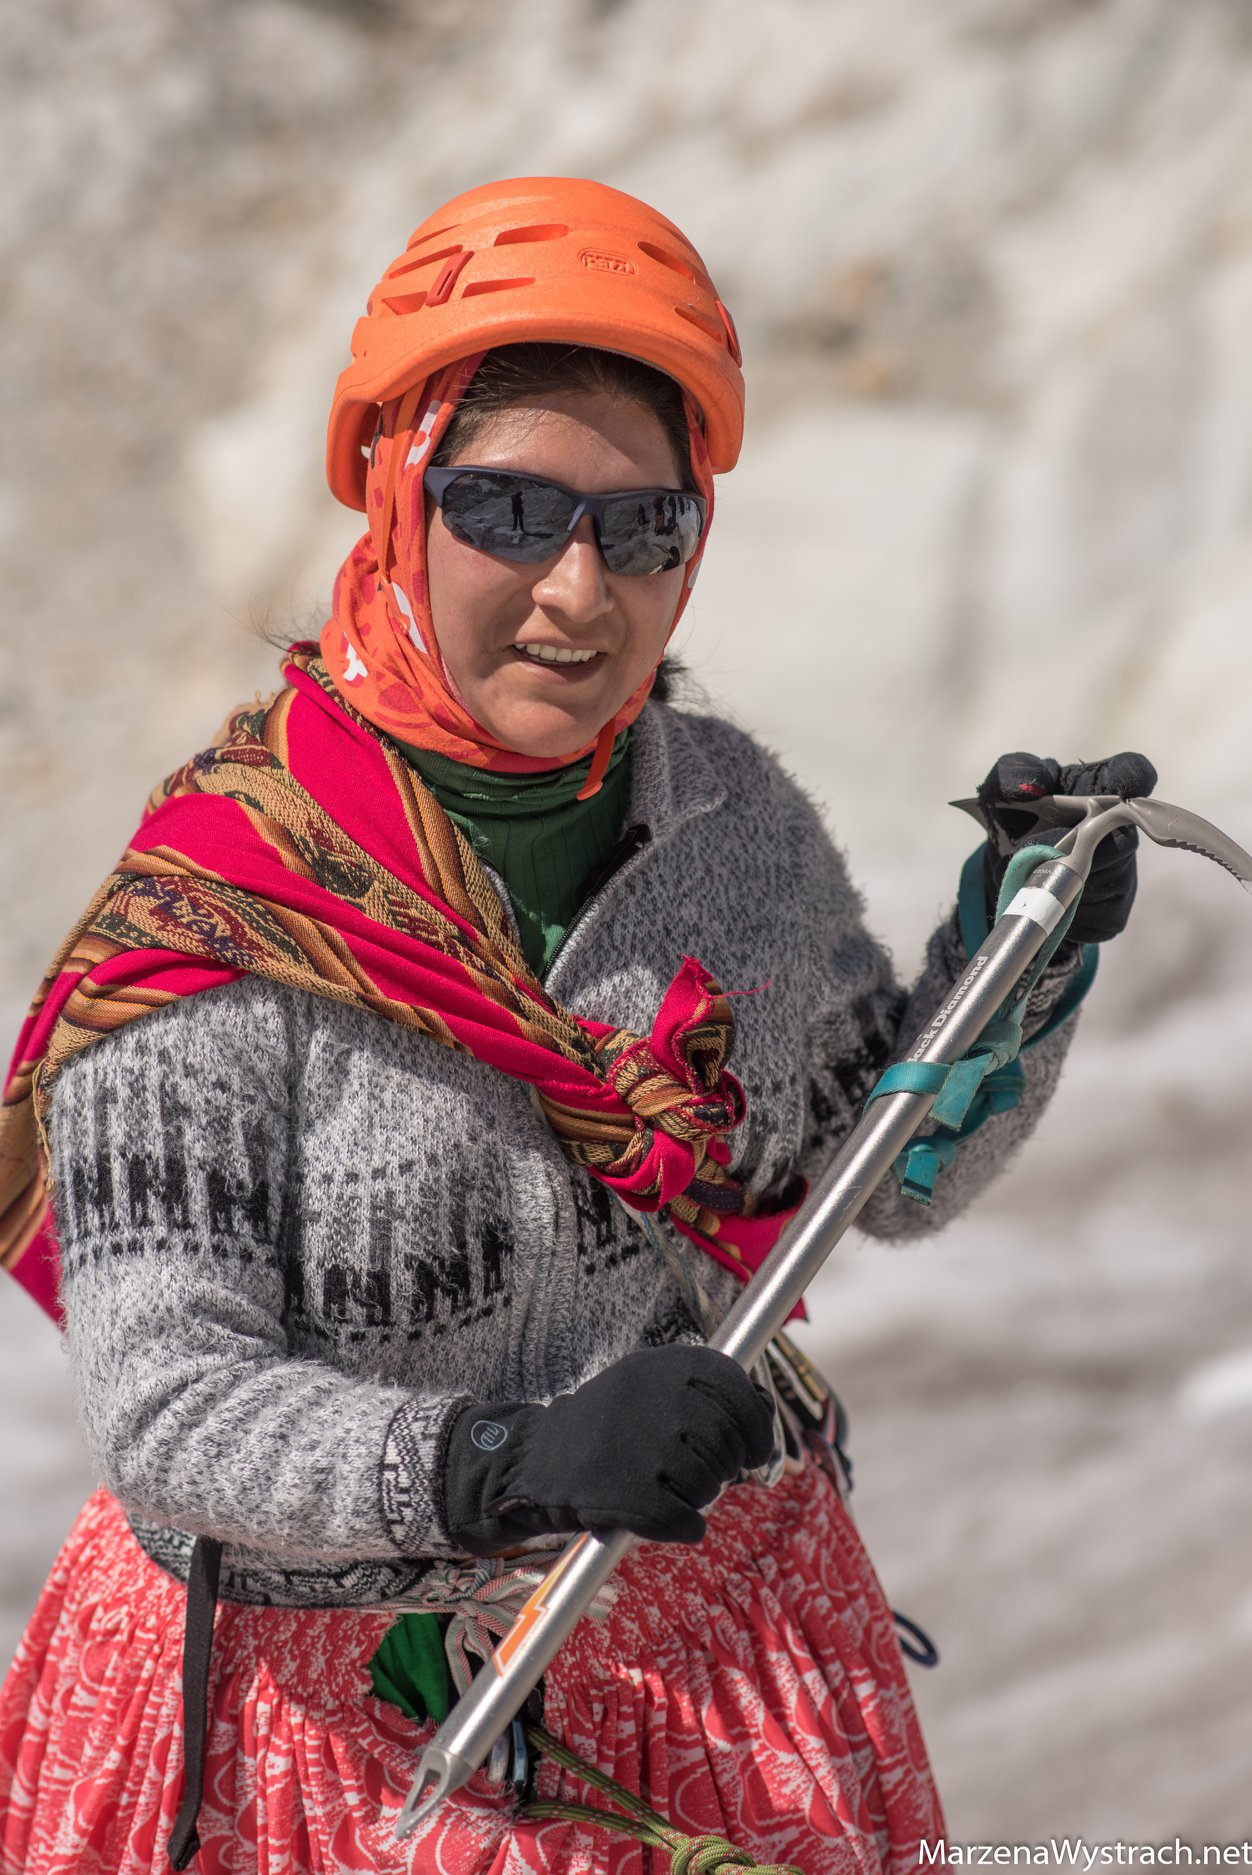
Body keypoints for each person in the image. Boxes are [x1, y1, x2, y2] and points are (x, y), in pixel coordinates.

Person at [0, 177, 1154, 1875]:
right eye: (507, 508)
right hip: (316, 1745)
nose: (577, 592)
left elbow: (870, 1178)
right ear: (394, 495)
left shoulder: (729, 828)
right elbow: (171, 1408)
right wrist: (502, 1462)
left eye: (643, 528)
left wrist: (1015, 964)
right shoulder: (224, 919)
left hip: (697, 1680)